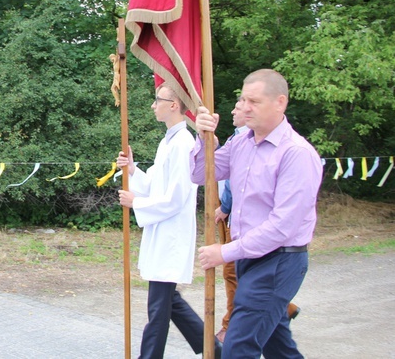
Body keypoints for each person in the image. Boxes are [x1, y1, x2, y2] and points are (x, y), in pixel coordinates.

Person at [191, 69, 322, 358]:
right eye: (243, 99)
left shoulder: (296, 154)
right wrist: (205, 139)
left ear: (280, 103)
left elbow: (282, 227)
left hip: (279, 261)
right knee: (279, 348)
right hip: (249, 260)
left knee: (238, 347)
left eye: (254, 101)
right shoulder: (241, 142)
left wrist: (224, 252)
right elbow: (202, 173)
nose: (245, 107)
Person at [116, 83, 222, 359]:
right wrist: (133, 169)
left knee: (158, 307)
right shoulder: (168, 142)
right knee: (169, 302)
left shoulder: (184, 143)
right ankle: (217, 351)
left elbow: (176, 197)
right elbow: (155, 185)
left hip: (172, 232)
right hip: (161, 230)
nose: (154, 105)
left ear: (174, 105)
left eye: (158, 100)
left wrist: (136, 203)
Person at [213, 99, 300, 343]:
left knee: (233, 274)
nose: (234, 111)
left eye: (239, 107)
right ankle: (283, 310)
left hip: (247, 226)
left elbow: (234, 182)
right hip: (242, 222)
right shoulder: (237, 138)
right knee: (277, 342)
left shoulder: (248, 139)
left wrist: (225, 207)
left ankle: (231, 325)